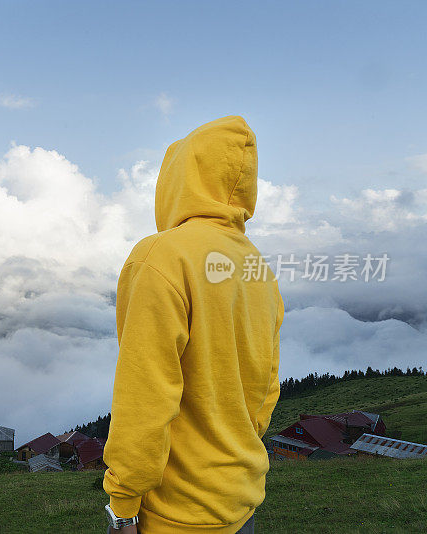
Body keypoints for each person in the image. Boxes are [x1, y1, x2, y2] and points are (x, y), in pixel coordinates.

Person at [102, 116, 284, 533]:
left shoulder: (162, 257)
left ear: (179, 178)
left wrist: (123, 504)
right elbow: (267, 387)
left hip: (177, 514)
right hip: (241, 500)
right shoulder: (259, 268)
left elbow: (146, 393)